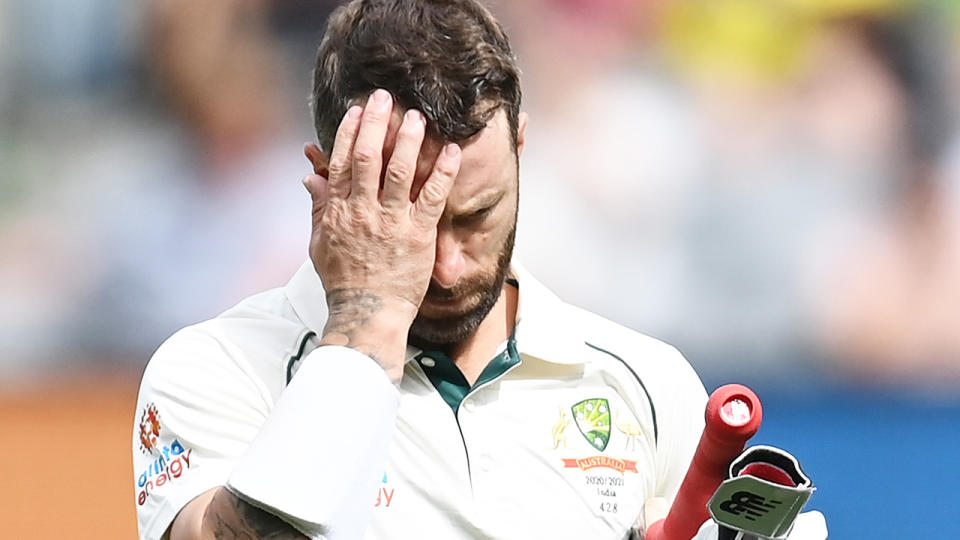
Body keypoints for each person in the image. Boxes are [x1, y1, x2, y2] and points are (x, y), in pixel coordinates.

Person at [132, 1, 825, 539]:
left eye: (477, 215)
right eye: (414, 225)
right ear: (325, 177)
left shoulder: (642, 380)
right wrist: (366, 323)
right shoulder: (215, 369)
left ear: (521, 146)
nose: (449, 264)